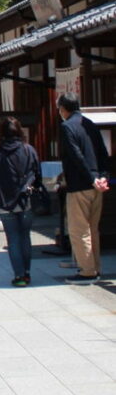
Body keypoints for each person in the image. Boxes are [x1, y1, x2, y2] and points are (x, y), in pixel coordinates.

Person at [57, 94, 110, 283]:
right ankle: (95, 267)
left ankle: (87, 270)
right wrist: (103, 177)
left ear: (63, 108)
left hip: (79, 185)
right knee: (93, 229)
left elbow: (75, 155)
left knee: (79, 230)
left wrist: (90, 178)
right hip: (97, 185)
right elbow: (103, 153)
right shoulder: (90, 124)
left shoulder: (66, 127)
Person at [0, 115, 42, 287]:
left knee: (13, 239)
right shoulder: (28, 150)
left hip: (4, 202)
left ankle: (18, 276)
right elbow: (37, 174)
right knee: (25, 237)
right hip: (25, 200)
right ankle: (27, 273)